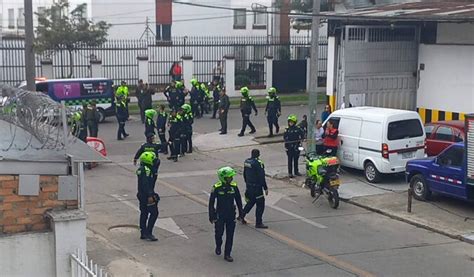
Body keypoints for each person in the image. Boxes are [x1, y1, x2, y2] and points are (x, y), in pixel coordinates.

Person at [208, 166, 244, 262]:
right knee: (219, 233)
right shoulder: (216, 187)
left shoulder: (234, 186)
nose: (231, 179)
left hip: (231, 214)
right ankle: (218, 245)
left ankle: (227, 254)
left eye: (231, 177)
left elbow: (239, 200)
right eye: (229, 177)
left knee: (230, 235)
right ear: (223, 177)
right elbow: (211, 203)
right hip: (220, 214)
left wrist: (241, 213)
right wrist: (211, 216)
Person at [239, 149, 268, 229]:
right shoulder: (258, 163)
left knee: (251, 201)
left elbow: (244, 173)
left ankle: (242, 215)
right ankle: (258, 222)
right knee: (260, 204)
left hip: (249, 186)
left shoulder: (247, 161)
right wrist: (265, 187)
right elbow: (261, 176)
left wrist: (247, 183)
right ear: (259, 154)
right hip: (257, 187)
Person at [136, 151, 160, 241]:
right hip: (146, 195)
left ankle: (143, 232)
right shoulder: (146, 171)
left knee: (144, 213)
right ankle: (148, 232)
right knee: (154, 213)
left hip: (141, 194)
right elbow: (146, 184)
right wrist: (150, 195)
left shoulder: (142, 169)